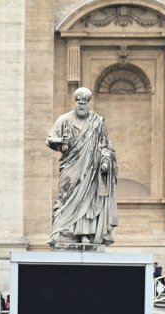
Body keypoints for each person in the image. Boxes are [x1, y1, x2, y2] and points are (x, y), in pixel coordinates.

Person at [46, 86, 118, 246]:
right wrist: (61, 141)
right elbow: (50, 139)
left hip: (91, 169)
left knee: (87, 199)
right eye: (79, 103)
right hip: (70, 167)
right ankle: (61, 231)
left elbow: (106, 145)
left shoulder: (97, 122)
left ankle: (85, 234)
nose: (81, 106)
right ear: (75, 102)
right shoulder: (64, 120)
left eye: (84, 103)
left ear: (88, 104)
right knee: (65, 198)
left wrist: (105, 161)